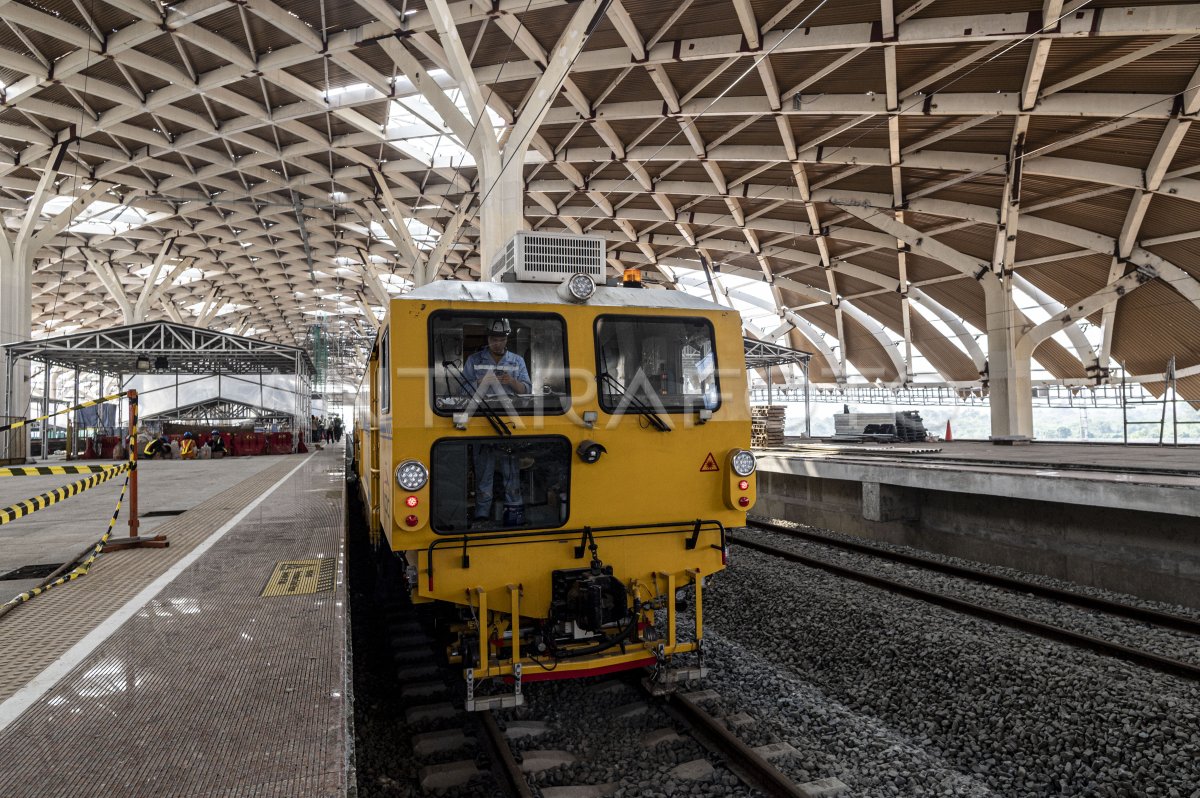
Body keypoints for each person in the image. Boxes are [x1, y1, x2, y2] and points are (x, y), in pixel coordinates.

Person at [464, 319, 530, 526]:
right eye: (494, 339)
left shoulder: (517, 361)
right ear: (488, 339)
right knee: (484, 473)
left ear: (506, 339)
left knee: (512, 473)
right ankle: (483, 514)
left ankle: (514, 513)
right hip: (482, 421)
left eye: (501, 339)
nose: (497, 343)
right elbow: (462, 390)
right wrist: (481, 382)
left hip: (509, 422)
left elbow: (527, 390)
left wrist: (512, 382)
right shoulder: (475, 360)